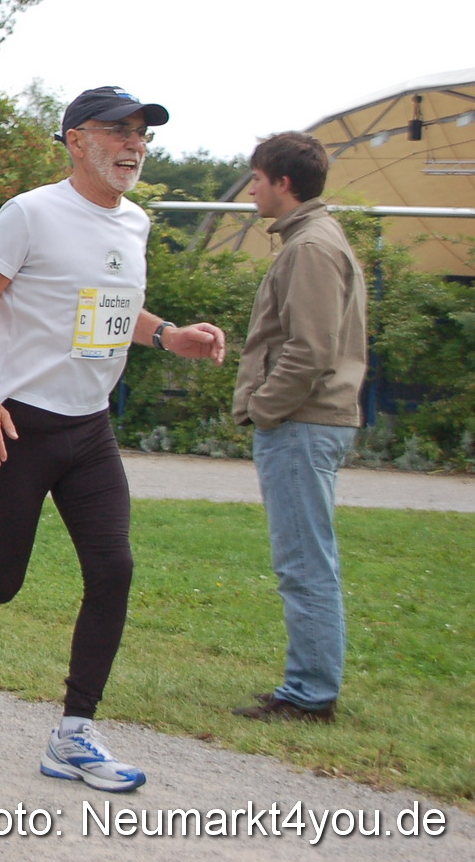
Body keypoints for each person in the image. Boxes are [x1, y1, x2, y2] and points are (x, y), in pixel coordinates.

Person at [0, 85, 228, 793]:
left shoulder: (137, 224)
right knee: (0, 580)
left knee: (114, 568)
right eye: (118, 132)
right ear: (75, 139)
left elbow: (108, 309)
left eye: (142, 135)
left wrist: (168, 334)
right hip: (20, 422)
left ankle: (73, 732)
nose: (134, 146)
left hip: (89, 427)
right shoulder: (30, 212)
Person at [230, 132, 367, 724]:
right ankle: (309, 686)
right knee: (309, 557)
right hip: (307, 421)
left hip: (303, 422)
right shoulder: (311, 238)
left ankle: (310, 695)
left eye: (258, 178)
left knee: (304, 562)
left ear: (284, 183)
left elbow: (310, 350)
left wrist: (265, 407)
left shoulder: (309, 246)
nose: (252, 188)